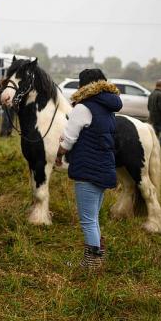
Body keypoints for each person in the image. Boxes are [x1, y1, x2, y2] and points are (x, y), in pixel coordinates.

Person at [54, 68, 122, 269]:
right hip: (103, 168)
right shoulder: (108, 107)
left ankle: (91, 264)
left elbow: (68, 140)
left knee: (87, 221)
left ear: (84, 86)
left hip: (88, 170)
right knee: (93, 218)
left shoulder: (83, 107)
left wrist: (59, 153)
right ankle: (96, 259)